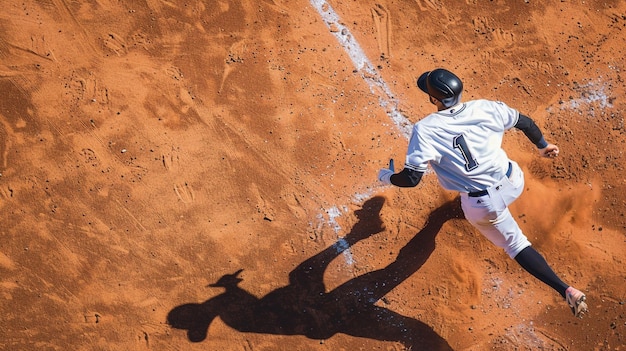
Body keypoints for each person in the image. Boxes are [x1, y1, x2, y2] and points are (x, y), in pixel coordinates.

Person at [377, 68, 588, 318]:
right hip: (513, 180)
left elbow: (411, 179)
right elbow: (525, 122)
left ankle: (566, 289)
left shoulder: (425, 129)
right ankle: (565, 289)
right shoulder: (486, 107)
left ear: (434, 100)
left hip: (484, 206)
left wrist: (387, 176)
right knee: (493, 193)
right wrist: (543, 146)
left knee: (516, 245)